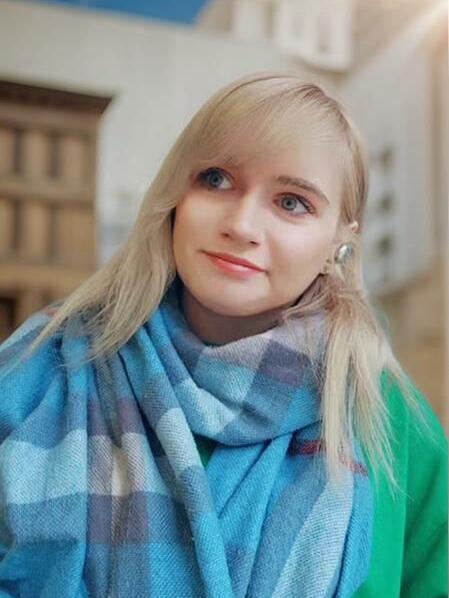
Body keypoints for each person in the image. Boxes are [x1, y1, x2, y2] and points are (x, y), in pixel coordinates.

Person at [0, 72, 446, 598]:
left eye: (292, 202)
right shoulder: (43, 365)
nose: (241, 224)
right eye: (215, 179)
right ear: (175, 195)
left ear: (338, 242)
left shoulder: (390, 423)